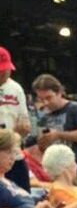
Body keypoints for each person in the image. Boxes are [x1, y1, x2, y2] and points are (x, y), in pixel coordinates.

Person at [32, 73, 77, 196]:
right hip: (58, 171)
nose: (45, 103)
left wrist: (58, 135)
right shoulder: (44, 115)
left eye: (49, 98)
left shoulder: (75, 109)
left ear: (59, 93)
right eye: (41, 99)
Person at [0, 46, 31, 192]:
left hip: (13, 153)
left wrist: (24, 129)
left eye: (6, 70)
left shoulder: (16, 88)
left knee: (23, 196)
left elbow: (24, 121)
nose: (4, 74)